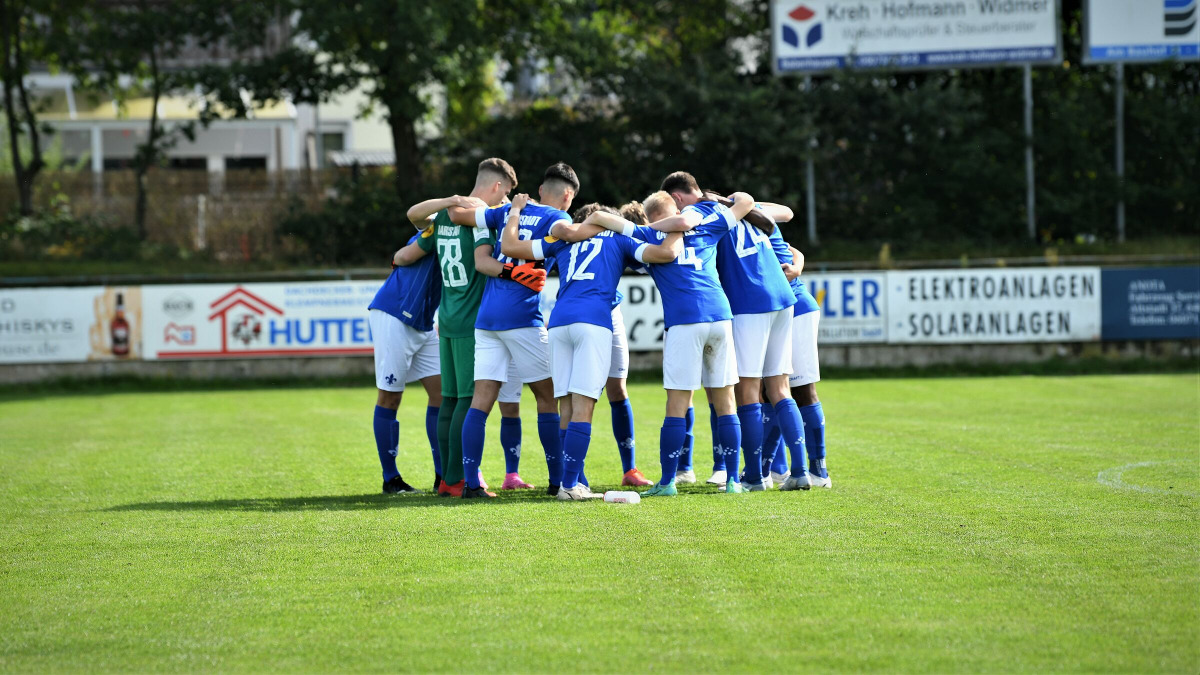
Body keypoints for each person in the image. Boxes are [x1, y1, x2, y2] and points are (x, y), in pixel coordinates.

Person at [497, 198, 684, 499]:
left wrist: (515, 212)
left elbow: (510, 248)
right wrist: (680, 227)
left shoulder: (560, 239)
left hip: (558, 323)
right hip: (594, 322)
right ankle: (570, 487)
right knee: (585, 405)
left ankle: (568, 482)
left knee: (567, 406)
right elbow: (664, 254)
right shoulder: (619, 239)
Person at [393, 158, 543, 497]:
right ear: (496, 187)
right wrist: (516, 273)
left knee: (448, 400)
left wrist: (447, 201)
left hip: (446, 318)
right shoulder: (479, 221)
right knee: (466, 401)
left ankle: (447, 478)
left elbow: (414, 220)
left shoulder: (446, 215)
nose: (505, 201)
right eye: (506, 194)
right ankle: (460, 478)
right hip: (470, 318)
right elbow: (484, 263)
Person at [446, 162, 583, 498]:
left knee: (481, 401)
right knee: (548, 398)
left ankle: (472, 485)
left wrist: (478, 202)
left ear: (540, 190)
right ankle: (557, 481)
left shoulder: (508, 209)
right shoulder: (558, 220)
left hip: (487, 318)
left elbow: (457, 216)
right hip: (523, 319)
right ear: (567, 196)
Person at [615, 174, 756, 496]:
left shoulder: (648, 239)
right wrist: (720, 200)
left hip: (684, 322)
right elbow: (745, 203)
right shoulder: (708, 224)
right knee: (725, 402)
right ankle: (732, 480)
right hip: (720, 316)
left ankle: (668, 482)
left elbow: (622, 240)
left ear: (654, 217)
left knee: (677, 403)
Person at [368, 197, 474, 494]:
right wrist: (451, 200)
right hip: (395, 313)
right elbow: (413, 218)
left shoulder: (473, 233)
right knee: (390, 397)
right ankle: (391, 479)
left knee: (442, 395)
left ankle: (444, 475)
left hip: (425, 322)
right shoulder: (438, 226)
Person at [711, 199, 811, 492]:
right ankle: (800, 471)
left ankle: (755, 476)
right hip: (783, 299)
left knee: (748, 392)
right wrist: (737, 199)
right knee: (780, 388)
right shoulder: (755, 216)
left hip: (750, 304)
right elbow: (787, 211)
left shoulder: (717, 221)